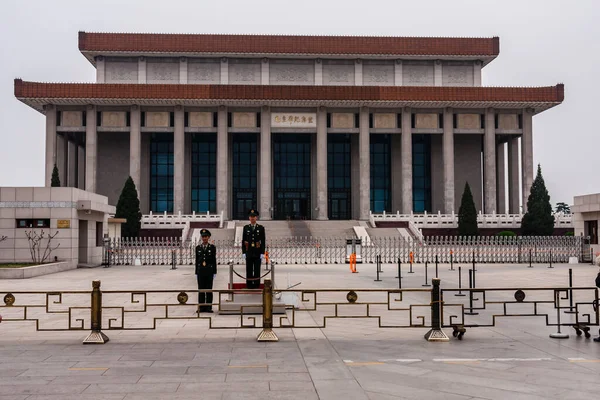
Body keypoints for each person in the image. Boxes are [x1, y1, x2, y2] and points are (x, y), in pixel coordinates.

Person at [242, 209, 266, 289]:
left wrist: (262, 252)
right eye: (251, 217)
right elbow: (243, 240)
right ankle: (249, 285)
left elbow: (263, 241)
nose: (252, 218)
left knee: (257, 270)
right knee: (248, 270)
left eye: (254, 217)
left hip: (257, 252)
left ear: (256, 218)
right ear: (249, 218)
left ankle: (256, 285)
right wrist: (244, 252)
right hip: (249, 252)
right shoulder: (246, 228)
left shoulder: (261, 228)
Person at [195, 229, 217, 313]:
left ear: (208, 237)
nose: (204, 238)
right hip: (201, 271)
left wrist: (214, 272)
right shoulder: (198, 248)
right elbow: (197, 261)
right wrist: (196, 272)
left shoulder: (212, 247)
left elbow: (214, 260)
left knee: (208, 289)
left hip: (209, 271)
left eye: (206, 237)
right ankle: (201, 306)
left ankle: (208, 307)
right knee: (201, 289)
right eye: (203, 237)